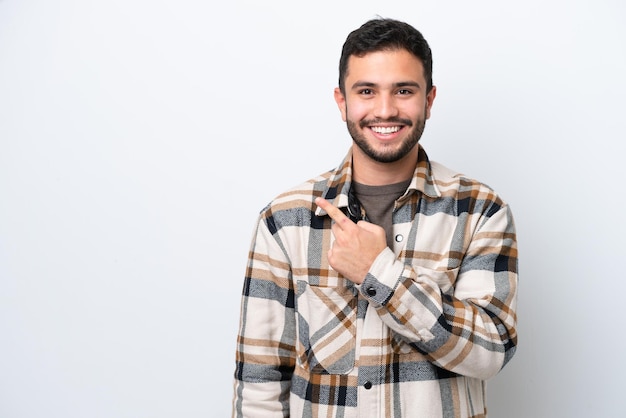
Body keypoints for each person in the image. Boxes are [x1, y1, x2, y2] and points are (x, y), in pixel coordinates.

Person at [232, 17, 518, 418]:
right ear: (342, 101)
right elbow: (260, 382)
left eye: (404, 90)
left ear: (429, 100)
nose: (385, 109)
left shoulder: (480, 210)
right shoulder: (285, 220)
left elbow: (490, 353)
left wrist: (379, 273)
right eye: (367, 91)